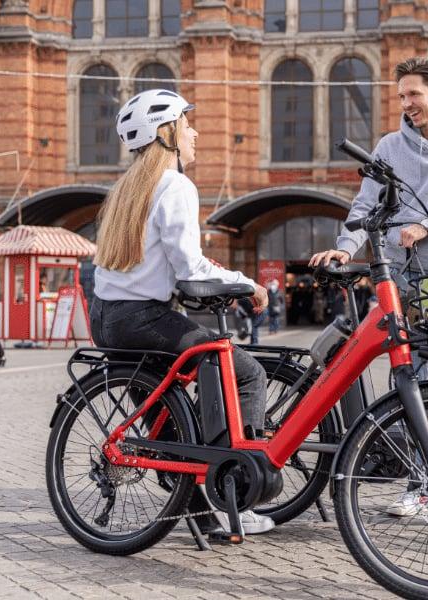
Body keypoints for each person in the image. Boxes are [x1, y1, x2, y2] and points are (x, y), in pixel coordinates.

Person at [310, 57, 428, 535]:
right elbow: (364, 206)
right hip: (403, 285)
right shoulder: (390, 147)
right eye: (401, 96)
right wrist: (343, 249)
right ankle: (420, 483)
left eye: (414, 94)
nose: (406, 104)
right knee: (409, 385)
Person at [90, 88, 273, 535]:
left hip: (108, 319)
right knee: (245, 373)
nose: (195, 132)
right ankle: (236, 490)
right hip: (144, 319)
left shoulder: (125, 189)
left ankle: (198, 511)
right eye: (187, 124)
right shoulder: (175, 184)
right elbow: (190, 266)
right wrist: (247, 284)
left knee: (164, 416)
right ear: (167, 132)